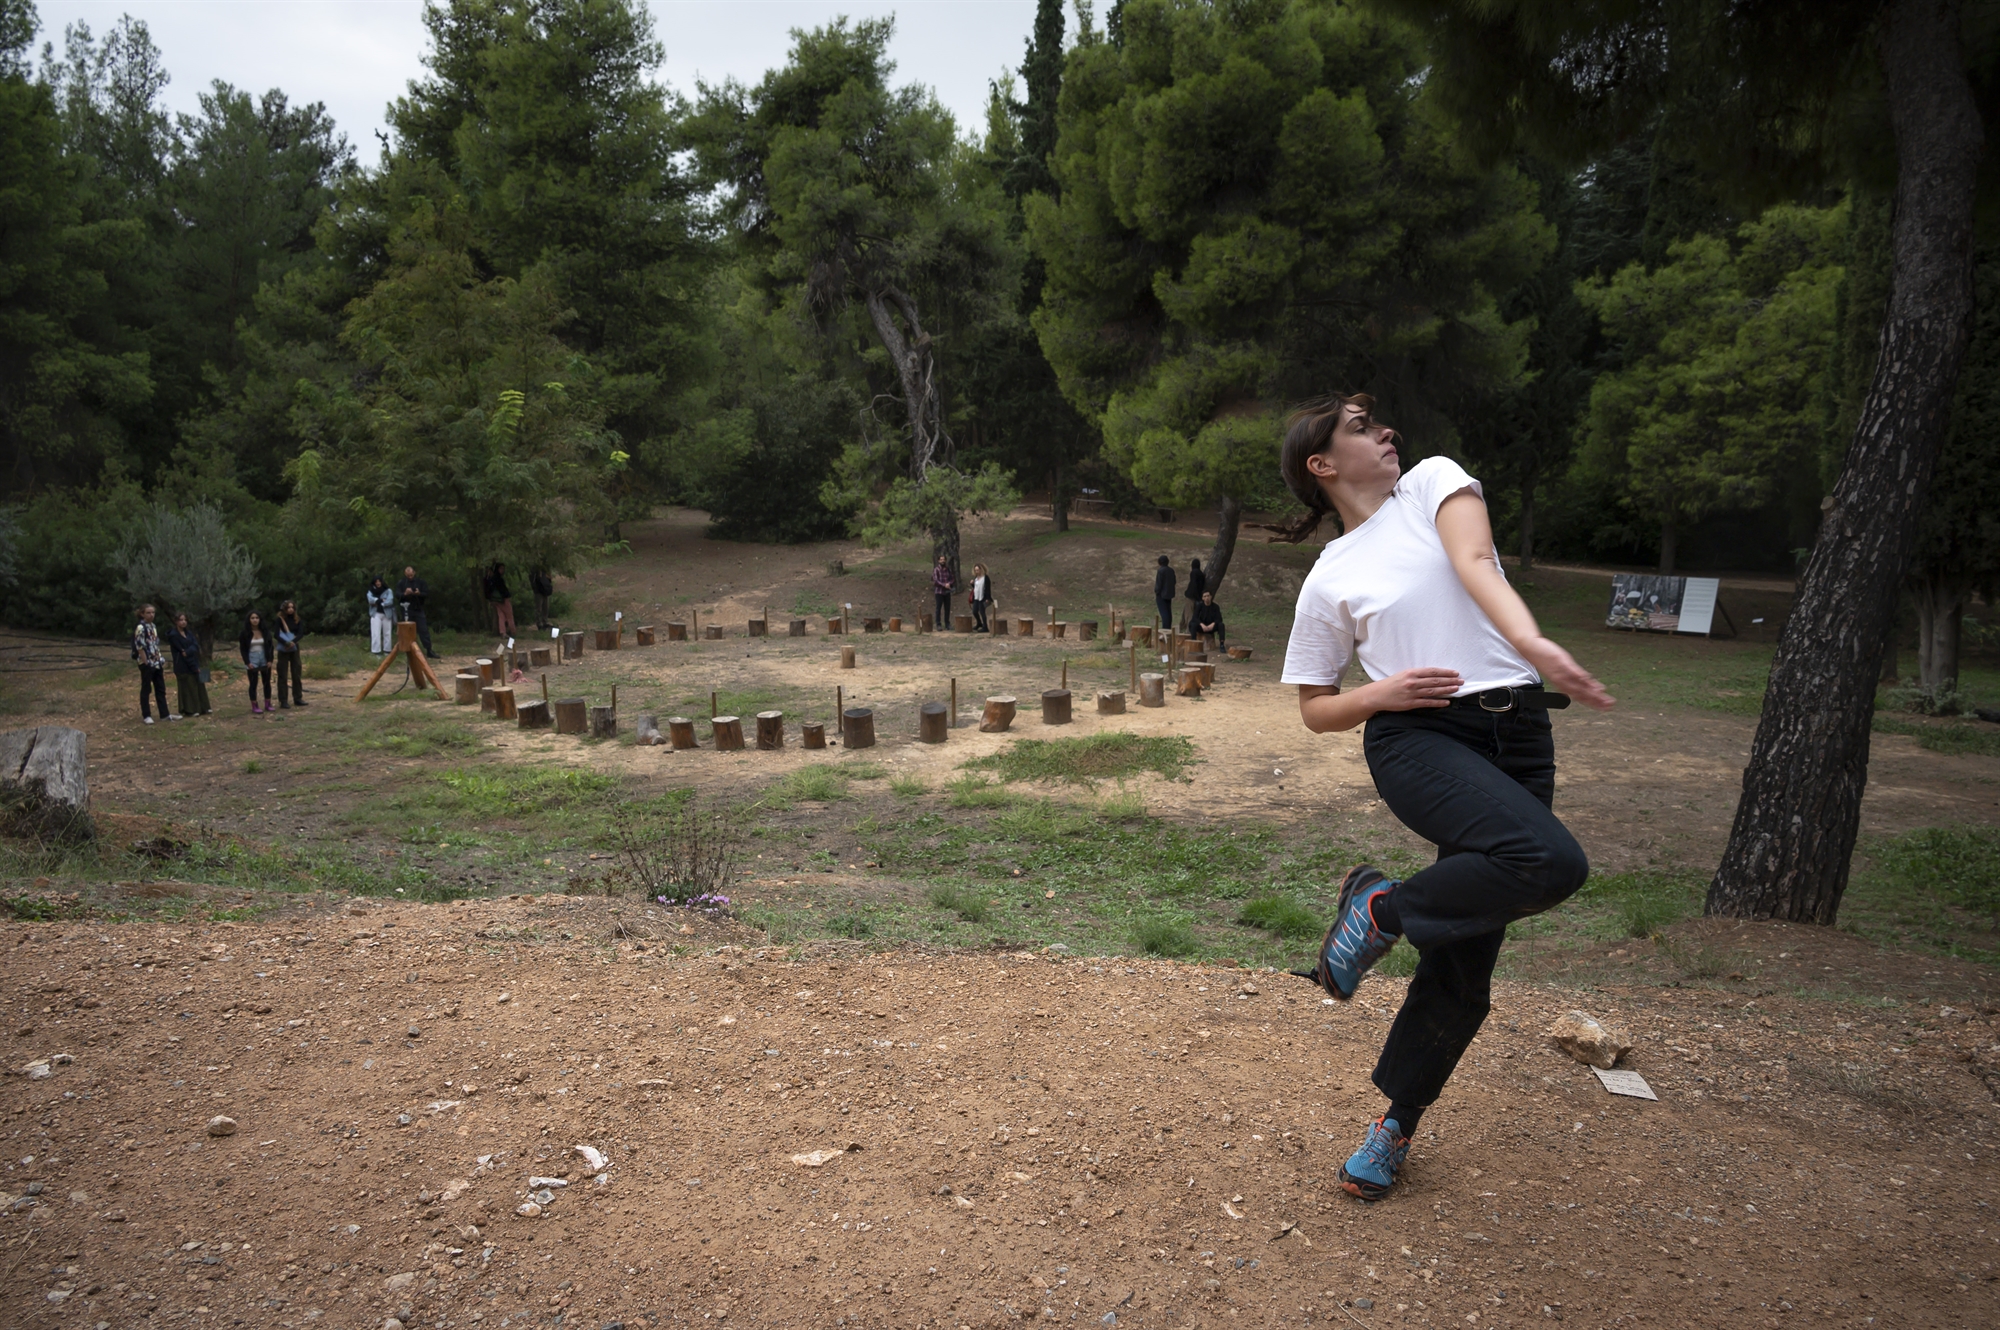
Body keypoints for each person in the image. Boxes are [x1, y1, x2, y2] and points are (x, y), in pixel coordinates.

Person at [1273, 392, 1613, 1203]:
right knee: (1550, 861)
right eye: (1360, 428)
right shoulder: (1330, 576)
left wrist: (1529, 642)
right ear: (1322, 464)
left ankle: (1394, 1124)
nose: (1385, 430)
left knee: (1466, 954)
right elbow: (1316, 707)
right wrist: (1380, 693)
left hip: (1518, 733)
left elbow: (1476, 563)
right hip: (1417, 735)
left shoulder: (1431, 482)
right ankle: (1381, 910)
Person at [164, 613, 211, 718]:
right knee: (188, 686)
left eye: (185, 620)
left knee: (200, 684)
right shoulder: (174, 635)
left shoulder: (189, 633)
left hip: (194, 661)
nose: (183, 622)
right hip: (183, 665)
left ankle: (204, 707)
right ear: (176, 621)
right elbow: (182, 652)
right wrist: (193, 664)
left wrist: (189, 651)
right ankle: (190, 709)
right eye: (181, 620)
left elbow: (195, 646)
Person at [132, 604, 170, 724]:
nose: (151, 615)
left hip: (156, 662)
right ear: (142, 614)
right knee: (146, 688)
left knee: (160, 688)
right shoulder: (140, 627)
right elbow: (140, 646)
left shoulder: (153, 626)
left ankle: (164, 714)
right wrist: (146, 662)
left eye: (153, 612)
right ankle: (146, 715)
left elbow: (154, 644)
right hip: (147, 662)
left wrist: (159, 658)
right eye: (148, 613)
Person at [273, 600, 309, 708]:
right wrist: (286, 643)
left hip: (294, 647)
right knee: (282, 674)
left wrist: (293, 642)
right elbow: (276, 634)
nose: (290, 609)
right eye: (288, 607)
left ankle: (298, 698)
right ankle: (283, 700)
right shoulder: (280, 619)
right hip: (283, 647)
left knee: (296, 672)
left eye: (292, 607)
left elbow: (301, 633)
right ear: (284, 609)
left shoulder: (297, 619)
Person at [239, 611, 276, 715]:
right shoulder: (244, 633)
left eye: (257, 618)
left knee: (266, 682)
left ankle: (268, 703)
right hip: (252, 658)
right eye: (252, 618)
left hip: (264, 657)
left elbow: (270, 647)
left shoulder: (265, 632)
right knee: (253, 683)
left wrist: (270, 660)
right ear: (249, 620)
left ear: (260, 619)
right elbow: (243, 649)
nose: (255, 620)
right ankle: (254, 705)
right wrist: (247, 662)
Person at [397, 566, 437, 659]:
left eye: (411, 575)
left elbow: (426, 593)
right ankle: (407, 650)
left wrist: (419, 594)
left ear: (414, 573)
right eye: (408, 575)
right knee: (407, 631)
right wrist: (404, 594)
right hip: (407, 610)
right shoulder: (401, 583)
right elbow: (397, 594)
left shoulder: (421, 582)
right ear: (405, 574)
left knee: (423, 630)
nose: (410, 577)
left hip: (418, 609)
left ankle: (429, 650)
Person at [485, 561, 516, 638]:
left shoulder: (491, 579)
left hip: (496, 600)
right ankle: (512, 631)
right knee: (509, 615)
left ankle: (503, 632)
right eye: (501, 568)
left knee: (501, 616)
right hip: (503, 599)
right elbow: (503, 590)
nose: (502, 570)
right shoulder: (498, 579)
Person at [367, 576, 396, 655]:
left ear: (382, 582)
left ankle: (387, 650)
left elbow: (390, 601)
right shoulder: (371, 591)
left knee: (387, 633)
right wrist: (379, 600)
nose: (378, 583)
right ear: (374, 583)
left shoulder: (388, 590)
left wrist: (380, 603)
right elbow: (370, 600)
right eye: (376, 581)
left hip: (387, 614)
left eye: (379, 581)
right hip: (375, 614)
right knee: (375, 633)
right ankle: (376, 651)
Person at [969, 563, 996, 632]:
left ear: (981, 570)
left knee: (982, 612)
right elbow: (976, 588)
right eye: (975, 570)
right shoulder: (976, 578)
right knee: (974, 611)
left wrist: (988, 598)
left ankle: (985, 627)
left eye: (978, 570)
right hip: (976, 597)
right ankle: (979, 623)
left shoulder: (985, 578)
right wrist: (972, 584)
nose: (976, 571)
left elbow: (987, 589)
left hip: (983, 597)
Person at [1182, 557, 1207, 631]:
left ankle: (1189, 631)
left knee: (1189, 615)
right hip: (1198, 597)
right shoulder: (1202, 575)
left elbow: (1193, 585)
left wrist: (1188, 592)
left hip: (1191, 596)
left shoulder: (1194, 573)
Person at [931, 555, 954, 630]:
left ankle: (947, 624)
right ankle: (938, 624)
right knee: (938, 608)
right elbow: (935, 581)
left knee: (947, 608)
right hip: (939, 592)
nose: (942, 561)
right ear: (938, 561)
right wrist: (944, 585)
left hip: (947, 592)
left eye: (944, 559)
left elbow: (952, 578)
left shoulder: (948, 569)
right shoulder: (936, 570)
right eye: (941, 559)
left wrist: (949, 584)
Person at [1153, 554, 1175, 630]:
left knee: (1164, 613)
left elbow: (1159, 583)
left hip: (1161, 595)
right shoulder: (1171, 570)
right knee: (1168, 612)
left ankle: (1165, 629)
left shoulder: (1160, 571)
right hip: (1169, 594)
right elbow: (1174, 581)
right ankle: (1168, 628)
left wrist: (1157, 591)